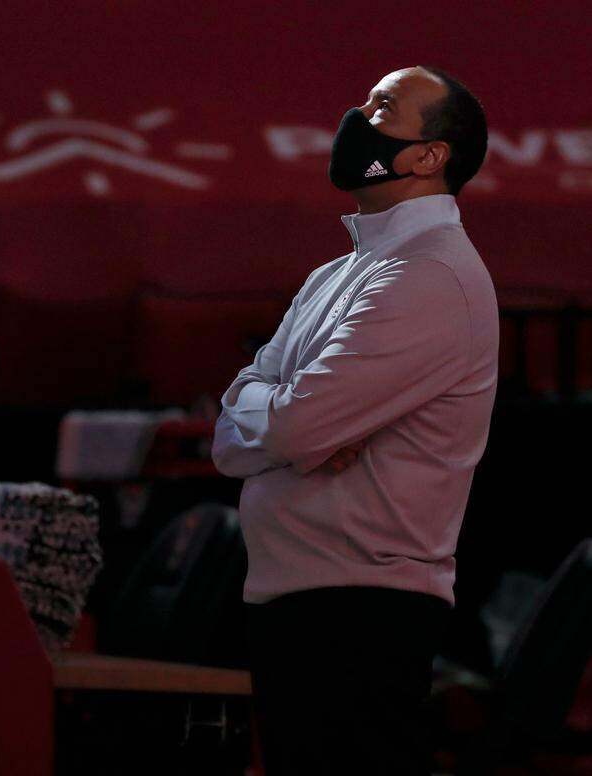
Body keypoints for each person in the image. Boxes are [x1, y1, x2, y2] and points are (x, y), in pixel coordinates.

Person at [212, 66, 497, 775]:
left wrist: (278, 423)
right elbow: (233, 435)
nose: (357, 116)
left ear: (431, 155)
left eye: (384, 107)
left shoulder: (430, 276)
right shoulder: (337, 273)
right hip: (296, 600)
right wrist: (274, 418)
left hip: (361, 613)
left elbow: (289, 429)